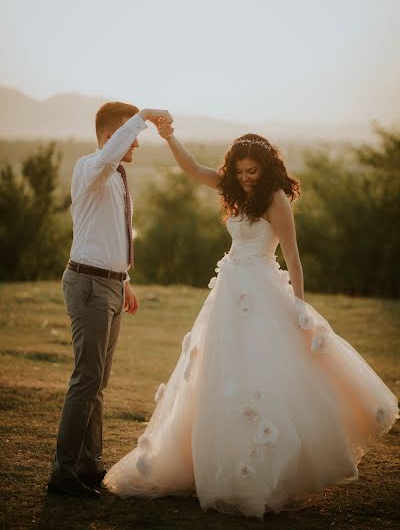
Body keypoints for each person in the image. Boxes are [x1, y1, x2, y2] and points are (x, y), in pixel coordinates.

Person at [103, 126, 399, 519]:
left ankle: (261, 473)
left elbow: (293, 257)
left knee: (265, 375)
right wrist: (169, 137)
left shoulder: (276, 200)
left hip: (263, 291)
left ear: (266, 170)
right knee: (218, 372)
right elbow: (191, 169)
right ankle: (218, 463)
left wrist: (300, 308)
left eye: (251, 172)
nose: (244, 177)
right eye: (239, 170)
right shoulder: (232, 189)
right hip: (227, 292)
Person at [47, 102, 173, 499]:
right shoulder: (92, 167)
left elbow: (109, 233)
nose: (136, 144)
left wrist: (125, 280)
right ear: (110, 136)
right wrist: (146, 115)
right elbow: (113, 150)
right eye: (130, 135)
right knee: (86, 380)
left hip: (111, 285)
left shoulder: (116, 176)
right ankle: (62, 474)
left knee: (98, 382)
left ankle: (89, 465)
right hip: (87, 284)